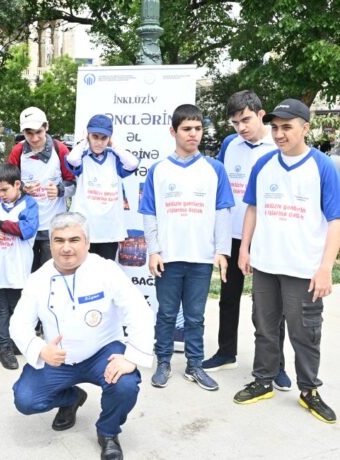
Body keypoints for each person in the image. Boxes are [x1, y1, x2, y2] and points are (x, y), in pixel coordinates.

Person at [10, 212, 154, 460]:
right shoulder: (38, 279)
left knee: (126, 384)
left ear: (87, 243)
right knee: (26, 399)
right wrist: (39, 348)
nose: (66, 248)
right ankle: (73, 398)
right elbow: (18, 323)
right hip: (59, 359)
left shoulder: (106, 270)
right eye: (59, 240)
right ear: (50, 243)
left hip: (102, 352)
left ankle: (108, 432)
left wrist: (131, 356)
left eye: (74, 240)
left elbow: (137, 310)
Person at [233, 99, 340, 424]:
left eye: (287, 127)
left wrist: (325, 268)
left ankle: (309, 390)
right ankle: (263, 380)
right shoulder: (264, 164)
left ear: (305, 128)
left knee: (305, 333)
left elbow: (335, 220)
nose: (279, 134)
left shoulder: (323, 166)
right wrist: (244, 248)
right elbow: (252, 207)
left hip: (303, 269)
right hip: (265, 265)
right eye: (275, 127)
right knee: (264, 329)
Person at [140, 104, 234, 392]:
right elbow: (149, 213)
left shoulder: (214, 169)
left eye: (198, 129)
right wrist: (153, 251)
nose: (193, 134)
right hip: (168, 257)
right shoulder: (158, 170)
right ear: (173, 131)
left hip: (201, 257)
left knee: (195, 315)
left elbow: (222, 211)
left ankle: (195, 365)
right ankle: (164, 363)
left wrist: (222, 250)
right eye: (187, 129)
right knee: (166, 314)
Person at [202, 90, 292, 389]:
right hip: (232, 235)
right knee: (228, 299)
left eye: (246, 120)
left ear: (261, 114)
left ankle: (276, 364)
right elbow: (220, 188)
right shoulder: (229, 145)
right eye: (235, 122)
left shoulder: (277, 145)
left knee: (269, 306)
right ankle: (226, 351)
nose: (241, 127)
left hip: (266, 236)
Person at [0, 164, 38, 370]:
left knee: (18, 308)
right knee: (1, 308)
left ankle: (17, 342)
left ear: (17, 184)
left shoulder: (29, 205)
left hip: (18, 268)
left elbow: (27, 229)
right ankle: (4, 347)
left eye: (5, 189)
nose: (2, 194)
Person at [8, 106, 76, 272]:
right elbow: (7, 184)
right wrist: (23, 189)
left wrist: (59, 190)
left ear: (46, 127)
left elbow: (73, 184)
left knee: (51, 274)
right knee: (26, 275)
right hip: (25, 225)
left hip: (53, 226)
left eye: (39, 131)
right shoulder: (17, 151)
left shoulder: (60, 149)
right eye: (29, 133)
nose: (35, 137)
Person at [66, 114, 139, 261]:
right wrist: (84, 142)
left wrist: (114, 146)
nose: (99, 142)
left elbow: (132, 163)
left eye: (103, 138)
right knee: (83, 272)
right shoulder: (83, 158)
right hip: (84, 228)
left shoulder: (115, 158)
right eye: (95, 136)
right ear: (88, 136)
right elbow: (72, 159)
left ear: (109, 138)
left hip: (109, 229)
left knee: (106, 275)